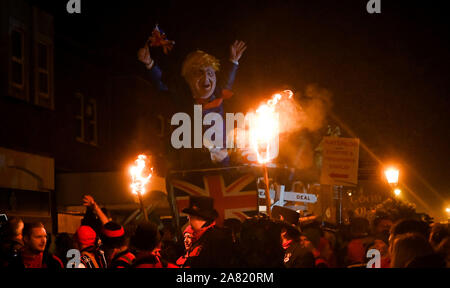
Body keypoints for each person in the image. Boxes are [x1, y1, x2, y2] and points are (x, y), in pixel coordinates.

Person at [137, 40, 247, 168]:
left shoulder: (218, 95)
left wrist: (234, 62)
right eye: (199, 73)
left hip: (222, 161)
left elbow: (228, 81)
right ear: (188, 79)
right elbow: (162, 86)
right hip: (195, 164)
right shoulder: (184, 101)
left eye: (210, 73)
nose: (206, 77)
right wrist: (150, 64)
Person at [177, 196, 233, 268]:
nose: (188, 218)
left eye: (190, 216)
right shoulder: (200, 237)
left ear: (198, 217)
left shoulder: (216, 238)